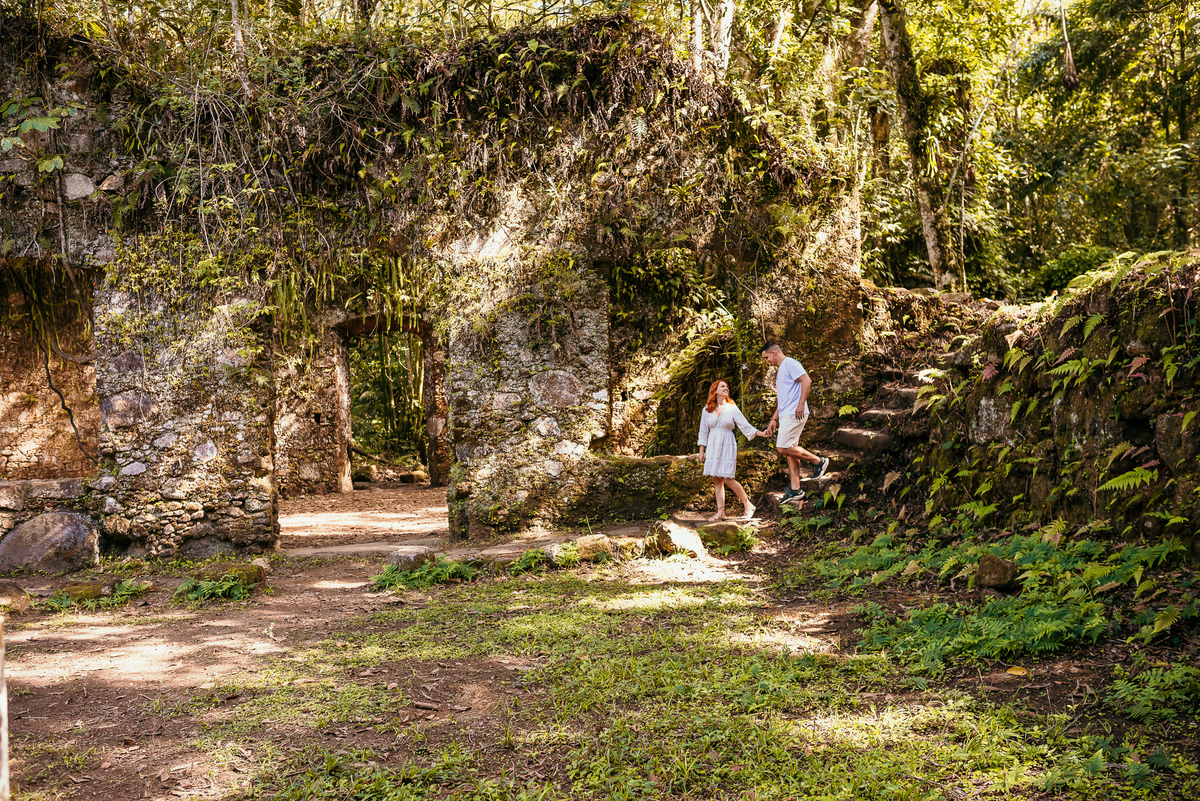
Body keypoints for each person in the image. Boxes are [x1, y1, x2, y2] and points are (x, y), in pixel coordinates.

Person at [760, 341, 830, 502]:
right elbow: (783, 399)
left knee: (782, 448)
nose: (767, 361)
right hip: (787, 413)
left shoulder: (790, 363)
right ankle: (795, 489)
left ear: (773, 353)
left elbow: (807, 381)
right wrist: (774, 418)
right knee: (790, 449)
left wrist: (801, 404)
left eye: (766, 357)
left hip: (794, 413)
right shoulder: (781, 370)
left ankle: (818, 461)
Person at [697, 379, 766, 522]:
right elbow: (703, 431)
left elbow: (745, 426)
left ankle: (748, 505)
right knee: (717, 479)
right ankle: (720, 513)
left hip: (727, 444)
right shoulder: (706, 410)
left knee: (728, 478)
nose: (726, 388)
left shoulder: (732, 408)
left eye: (727, 386)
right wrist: (701, 451)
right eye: (722, 386)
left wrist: (762, 434)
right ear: (715, 390)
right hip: (713, 445)